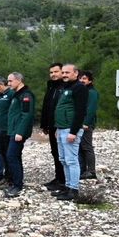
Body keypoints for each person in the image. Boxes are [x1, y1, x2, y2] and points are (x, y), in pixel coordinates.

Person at [51, 64, 88, 201]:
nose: (65, 74)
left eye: (68, 72)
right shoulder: (66, 87)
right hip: (61, 129)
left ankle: (74, 189)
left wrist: (73, 131)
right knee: (63, 159)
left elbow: (80, 111)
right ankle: (67, 186)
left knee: (71, 160)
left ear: (75, 73)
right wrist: (57, 128)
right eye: (63, 72)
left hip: (70, 129)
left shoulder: (80, 88)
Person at [4, 72, 35, 198]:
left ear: (18, 80)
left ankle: (17, 185)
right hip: (13, 130)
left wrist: (20, 132)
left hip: (18, 132)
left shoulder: (26, 95)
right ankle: (15, 182)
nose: (9, 83)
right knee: (15, 156)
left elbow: (27, 115)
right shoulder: (17, 95)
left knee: (11, 156)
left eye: (10, 81)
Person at [40, 63, 66, 193]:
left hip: (60, 127)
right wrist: (44, 124)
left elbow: (63, 110)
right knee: (55, 153)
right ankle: (58, 178)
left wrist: (58, 126)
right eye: (51, 72)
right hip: (51, 126)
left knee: (63, 155)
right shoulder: (51, 87)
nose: (53, 75)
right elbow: (47, 107)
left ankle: (64, 181)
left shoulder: (65, 88)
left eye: (56, 72)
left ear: (62, 72)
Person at [79, 70, 99, 180]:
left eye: (84, 78)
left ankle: (91, 171)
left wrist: (86, 123)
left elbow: (91, 109)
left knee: (87, 147)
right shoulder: (84, 91)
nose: (81, 80)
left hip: (86, 124)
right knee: (81, 147)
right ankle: (82, 170)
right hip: (80, 123)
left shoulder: (91, 92)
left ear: (90, 80)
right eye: (80, 78)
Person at [0, 77, 14, 185]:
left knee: (9, 154)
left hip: (8, 129)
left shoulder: (10, 94)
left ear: (1, 85)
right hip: (1, 128)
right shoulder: (1, 95)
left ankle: (11, 178)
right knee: (3, 153)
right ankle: (6, 176)